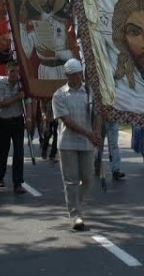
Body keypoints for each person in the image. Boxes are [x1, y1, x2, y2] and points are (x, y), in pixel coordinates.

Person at [52, 58, 102, 231]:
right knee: (71, 181)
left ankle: (75, 202)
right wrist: (89, 134)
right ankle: (75, 215)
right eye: (73, 75)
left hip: (87, 143)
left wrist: (96, 132)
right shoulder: (59, 95)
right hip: (68, 143)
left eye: (79, 74)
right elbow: (67, 121)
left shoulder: (89, 91)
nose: (77, 77)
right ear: (67, 76)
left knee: (88, 178)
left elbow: (98, 114)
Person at [19, 0, 74, 80]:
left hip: (62, 70)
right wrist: (22, 24)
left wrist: (55, 53)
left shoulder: (64, 24)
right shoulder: (33, 24)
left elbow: (74, 54)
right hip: (44, 72)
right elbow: (27, 52)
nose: (47, 1)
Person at [0, 61, 31, 194]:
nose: (15, 74)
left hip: (17, 120)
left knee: (19, 151)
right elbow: (0, 104)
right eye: (12, 71)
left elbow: (28, 101)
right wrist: (16, 98)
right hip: (3, 121)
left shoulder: (22, 85)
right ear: (6, 72)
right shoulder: (0, 85)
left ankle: (18, 182)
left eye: (16, 71)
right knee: (2, 150)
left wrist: (30, 118)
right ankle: (0, 176)